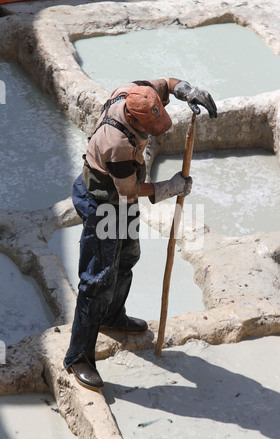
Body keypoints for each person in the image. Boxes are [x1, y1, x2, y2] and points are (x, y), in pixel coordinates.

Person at [64, 78, 217, 391]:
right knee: (97, 281)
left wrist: (186, 89)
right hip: (103, 202)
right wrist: (168, 188)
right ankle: (78, 356)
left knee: (129, 255)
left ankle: (112, 316)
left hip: (121, 201)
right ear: (132, 119)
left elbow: (165, 82)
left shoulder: (132, 92)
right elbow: (131, 189)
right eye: (148, 127)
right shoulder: (116, 143)